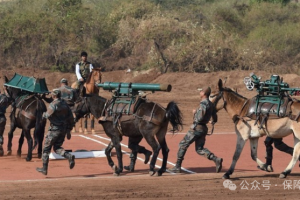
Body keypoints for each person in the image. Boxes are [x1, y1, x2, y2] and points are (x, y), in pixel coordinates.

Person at [169, 86, 223, 173]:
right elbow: (215, 118)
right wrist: (210, 120)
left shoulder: (203, 104)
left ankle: (177, 166)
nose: (200, 92)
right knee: (199, 149)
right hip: (203, 129)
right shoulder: (211, 104)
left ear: (204, 94)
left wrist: (194, 113)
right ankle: (216, 159)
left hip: (196, 128)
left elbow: (199, 118)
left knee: (183, 144)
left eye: (201, 91)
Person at [36, 89, 75, 175]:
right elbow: (71, 118)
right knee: (57, 148)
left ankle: (44, 168)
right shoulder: (65, 104)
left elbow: (47, 115)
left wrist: (42, 114)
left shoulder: (53, 105)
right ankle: (68, 156)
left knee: (46, 149)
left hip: (54, 130)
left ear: (54, 96)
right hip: (63, 130)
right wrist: (69, 129)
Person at [0, 88, 12, 155]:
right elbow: (9, 99)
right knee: (0, 134)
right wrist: (5, 90)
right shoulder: (4, 98)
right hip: (2, 118)